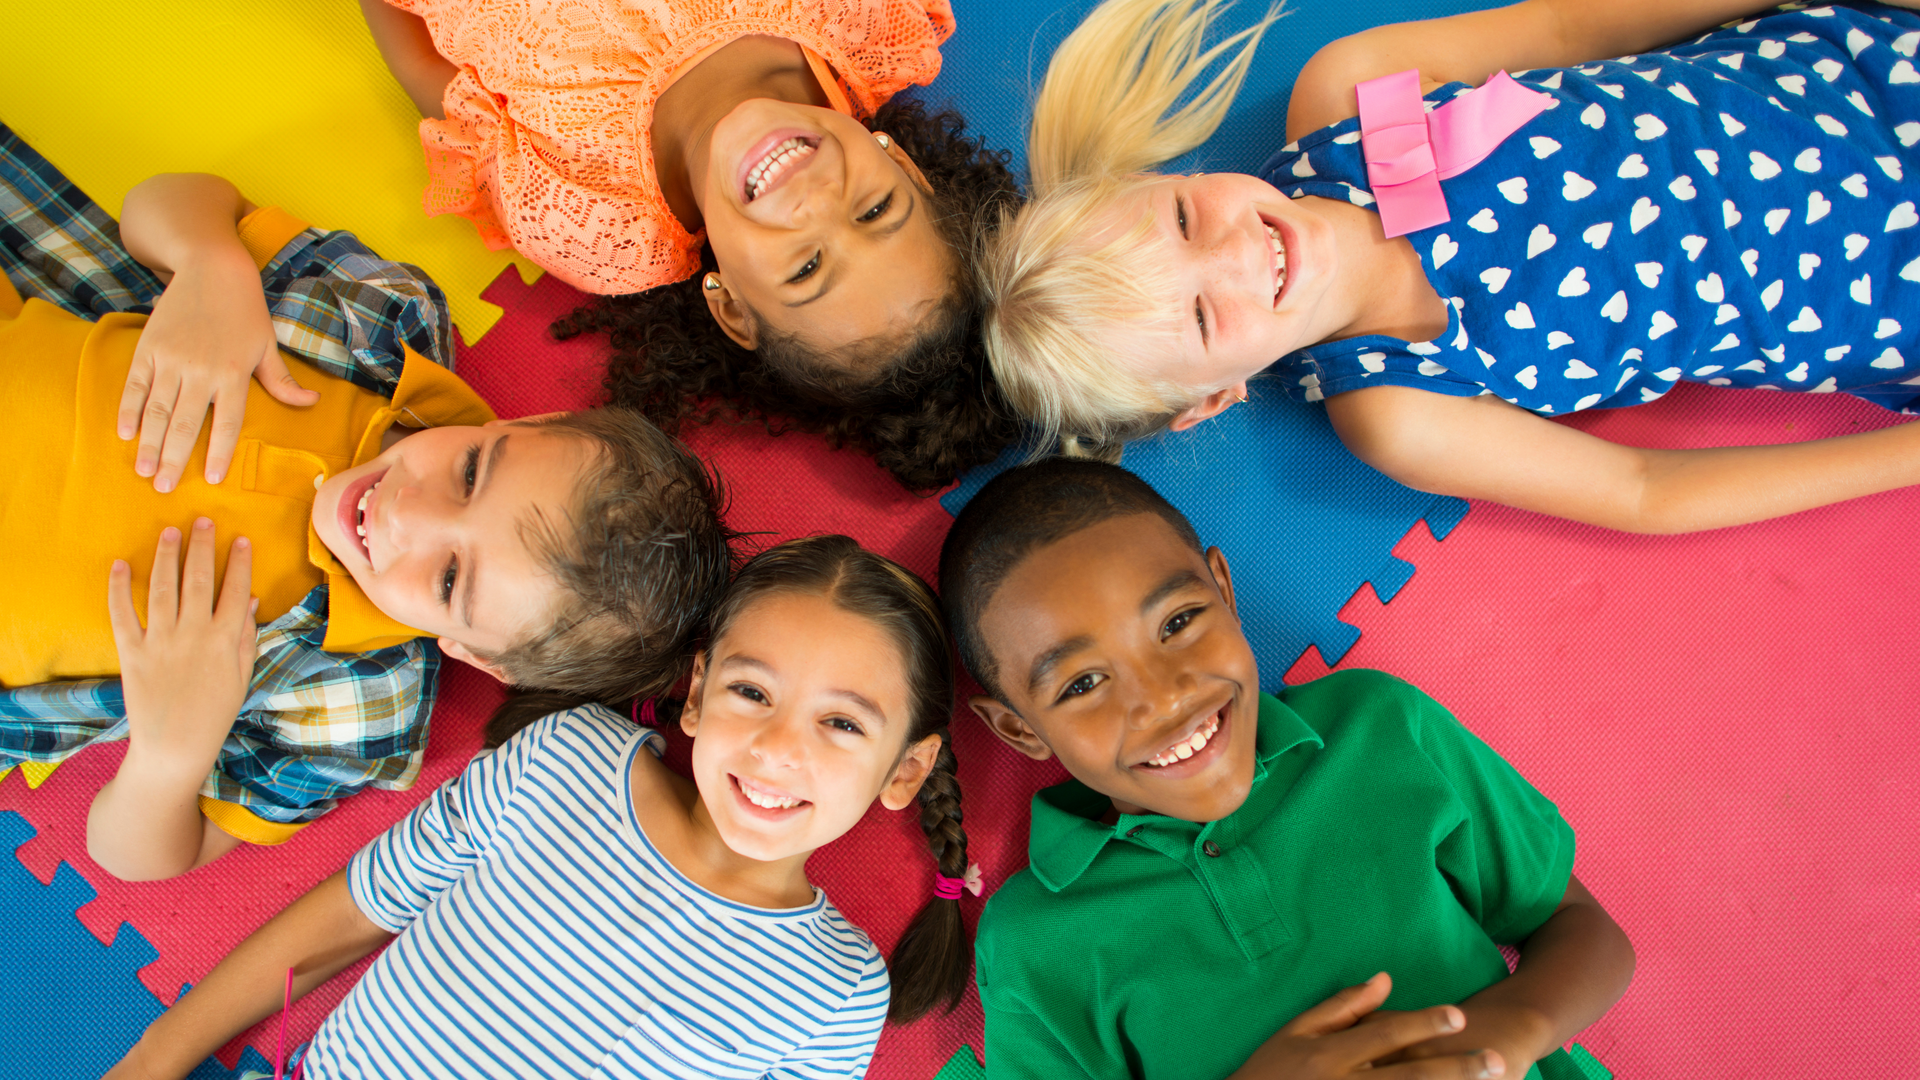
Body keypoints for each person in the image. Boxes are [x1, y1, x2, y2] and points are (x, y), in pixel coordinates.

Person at [0, 130, 734, 881]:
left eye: (451, 579)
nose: (406, 513)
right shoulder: (380, 328)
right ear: (523, 426)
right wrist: (208, 263)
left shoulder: (354, 705)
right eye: (472, 472)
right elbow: (160, 205)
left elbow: (140, 858)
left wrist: (168, 751)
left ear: (475, 656)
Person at [982, 0, 1920, 533]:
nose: (1238, 251)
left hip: (1866, 65)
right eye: (1199, 318)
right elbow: (1646, 492)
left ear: (1168, 176)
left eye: (1184, 217)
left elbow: (1569, 32)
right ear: (1212, 399)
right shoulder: (1400, 410)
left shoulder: (1344, 95)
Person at [104, 535, 973, 1078]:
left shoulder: (837, 994)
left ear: (905, 771)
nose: (780, 748)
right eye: (753, 692)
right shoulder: (566, 761)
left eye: (841, 723)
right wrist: (158, 1056)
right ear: (698, 694)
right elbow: (353, 911)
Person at [938, 459, 1636, 1079]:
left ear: (1223, 590)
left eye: (1178, 623)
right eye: (1083, 684)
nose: (1165, 697)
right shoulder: (1033, 945)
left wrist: (1506, 1035)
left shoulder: (1376, 727)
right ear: (1019, 729)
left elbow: (1584, 930)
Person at [359, 0, 1026, 491]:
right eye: (877, 209)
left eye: (808, 267)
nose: (812, 201)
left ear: (732, 306)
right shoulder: (864, 19)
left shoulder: (588, 221)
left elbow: (422, 63)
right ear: (905, 166)